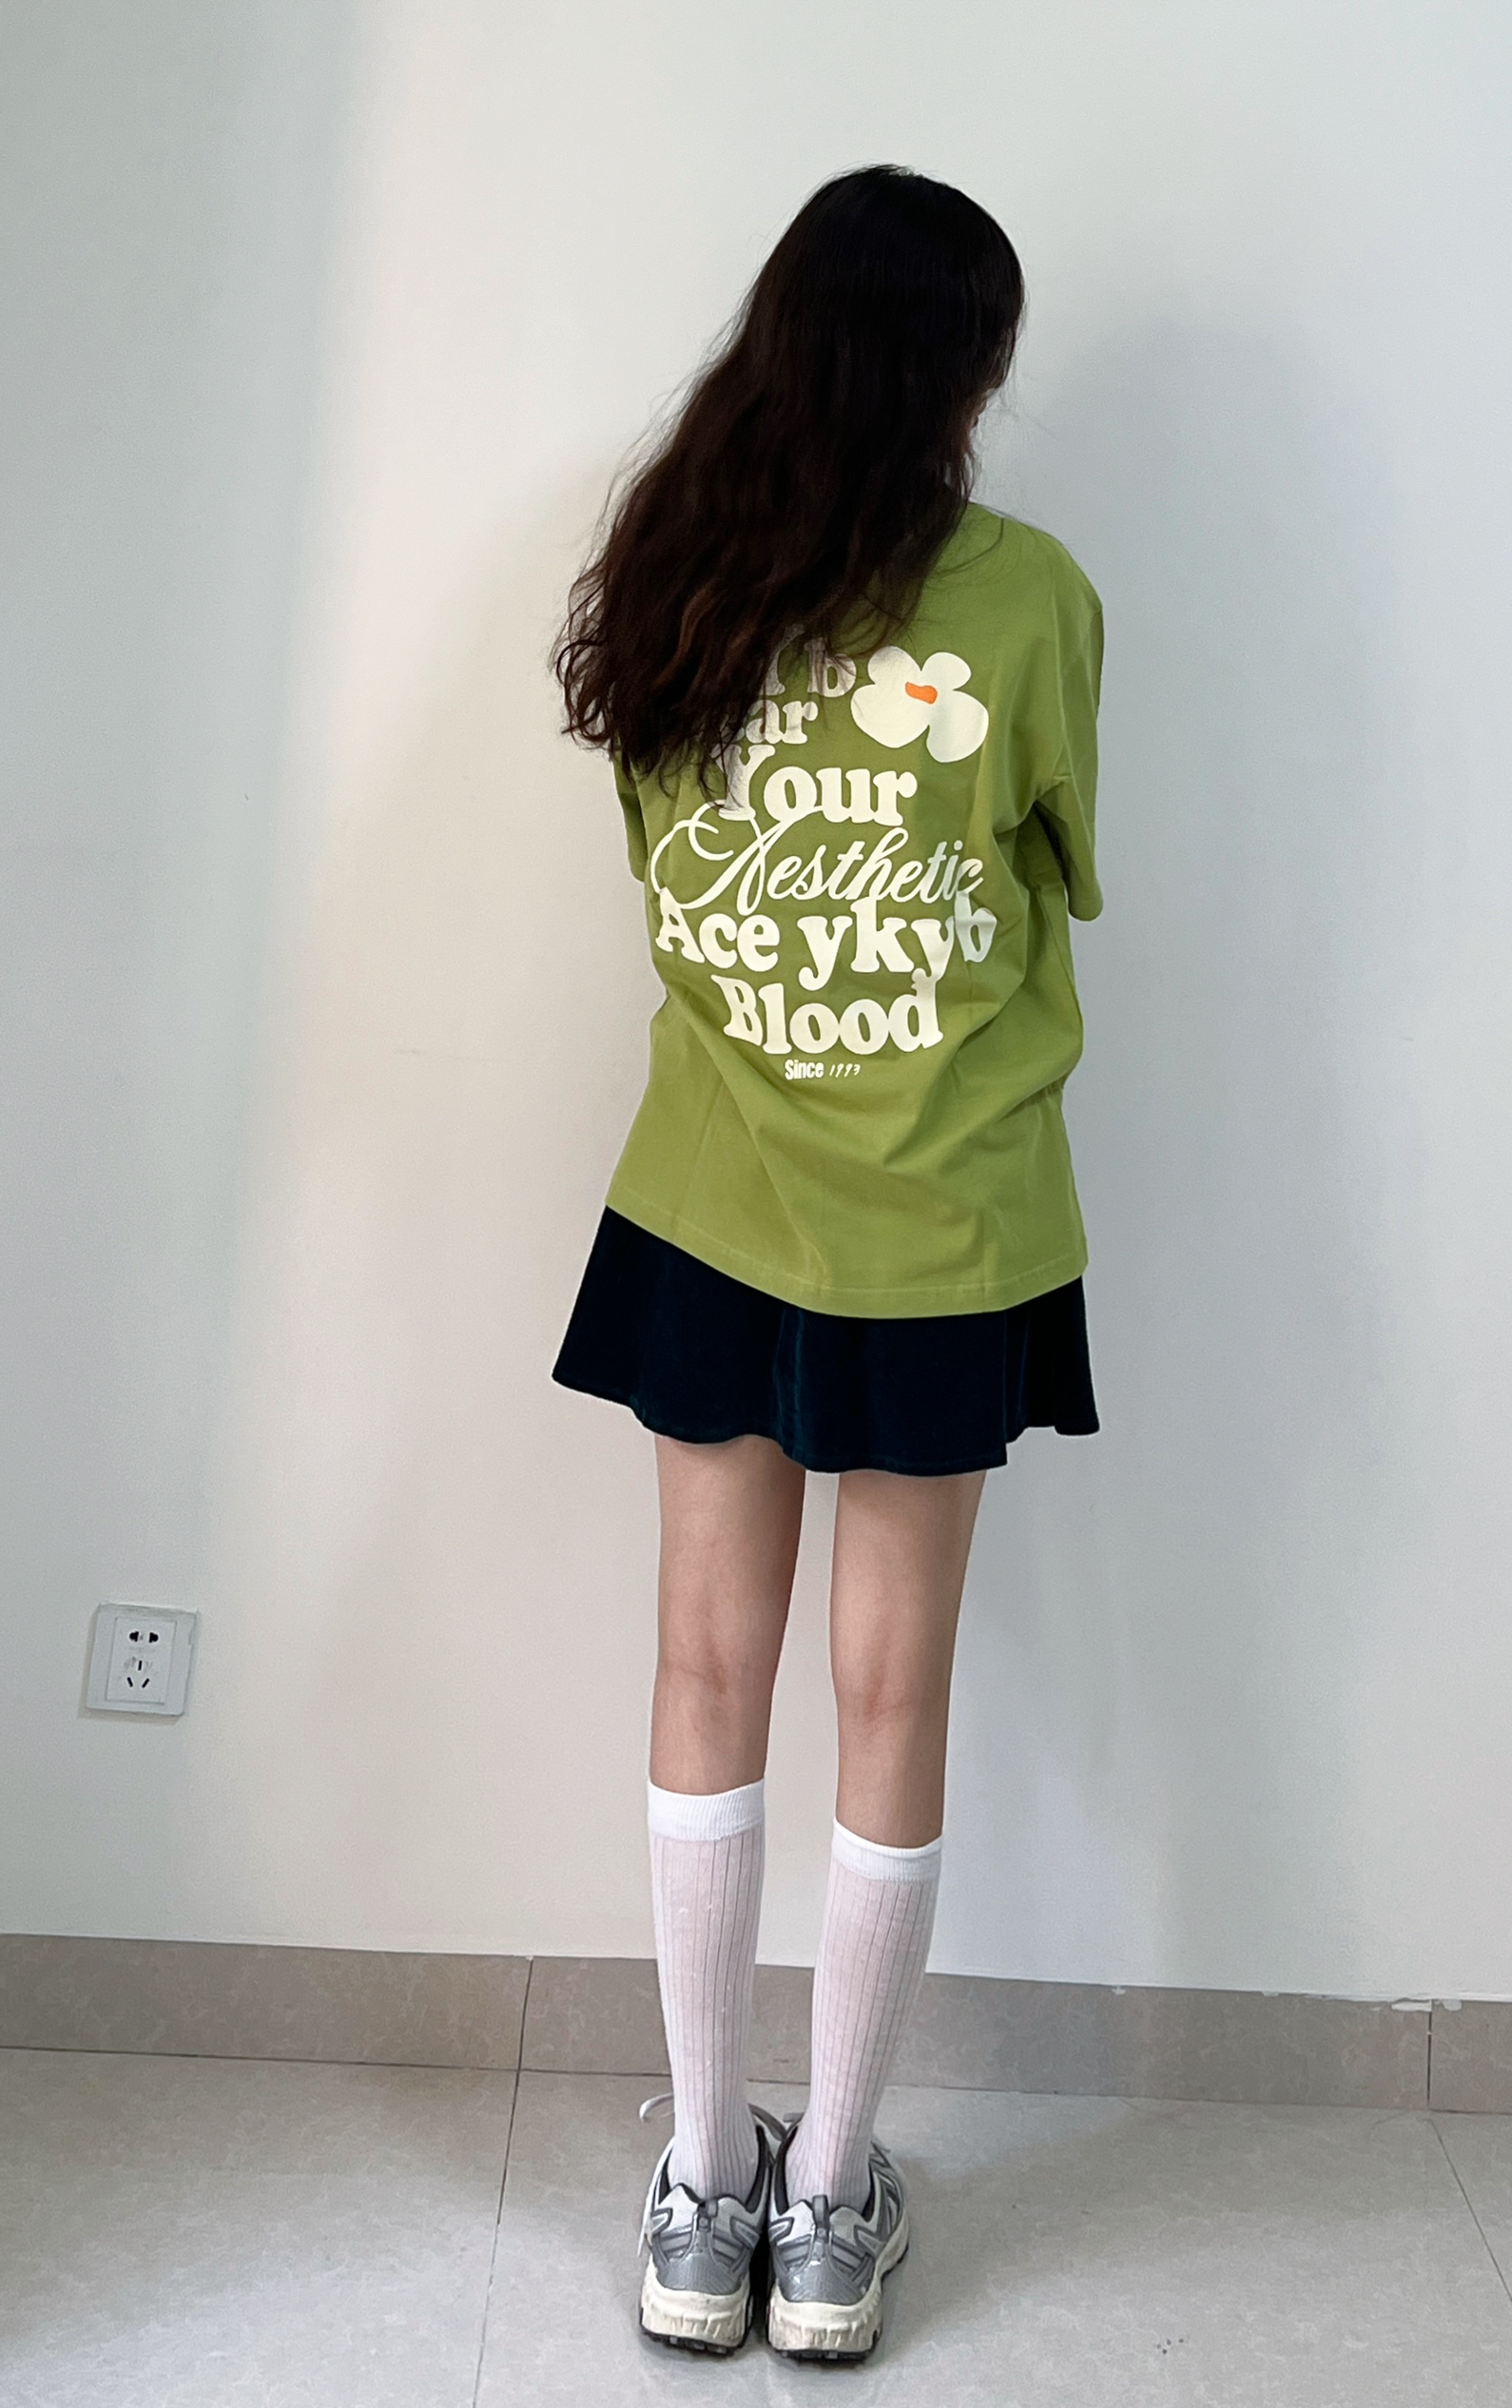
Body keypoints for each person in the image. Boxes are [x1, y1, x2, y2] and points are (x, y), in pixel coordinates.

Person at [549, 164, 1103, 2364]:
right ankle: (828, 2200)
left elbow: (651, 867)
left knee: (704, 1667)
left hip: (714, 1194)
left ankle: (705, 2197)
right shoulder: (1031, 600)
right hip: (946, 1214)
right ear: (962, 373)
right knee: (894, 1689)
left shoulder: (670, 567)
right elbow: (1054, 855)